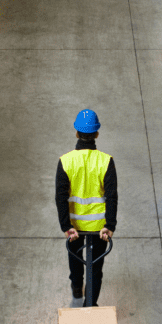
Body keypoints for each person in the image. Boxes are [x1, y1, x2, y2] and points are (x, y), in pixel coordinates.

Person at [55, 109, 118, 306]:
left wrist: (66, 226)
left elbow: (60, 197)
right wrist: (110, 225)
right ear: (97, 134)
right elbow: (112, 196)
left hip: (75, 226)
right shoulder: (106, 161)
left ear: (76, 133)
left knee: (75, 260)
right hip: (99, 228)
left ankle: (76, 287)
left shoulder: (65, 161)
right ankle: (90, 304)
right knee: (95, 268)